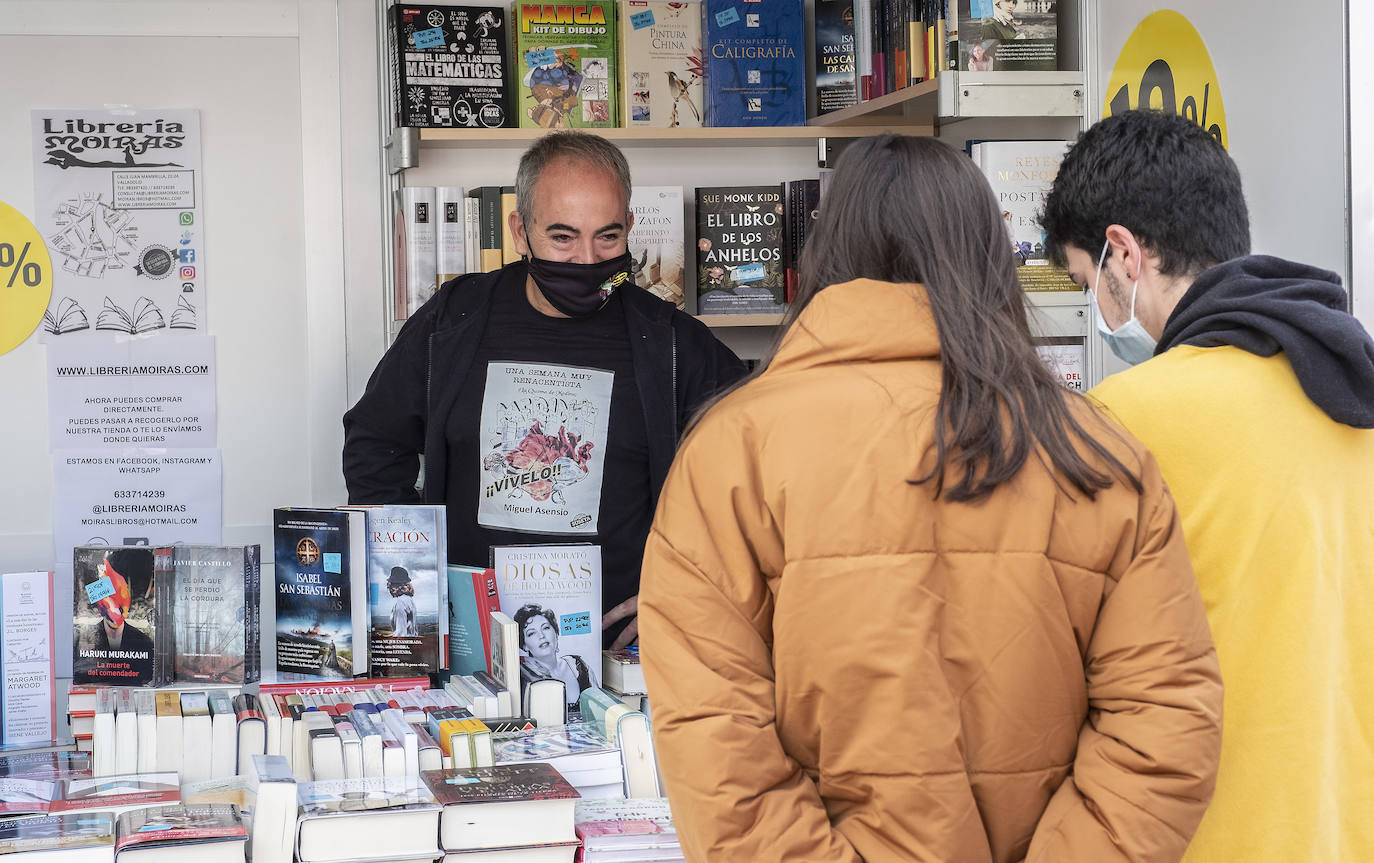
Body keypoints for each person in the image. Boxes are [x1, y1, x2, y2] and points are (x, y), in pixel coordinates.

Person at [637, 134, 1223, 863]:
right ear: (988, 253)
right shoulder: (1099, 453)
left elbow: (716, 748)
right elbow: (1164, 724)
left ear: (825, 250)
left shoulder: (731, 453)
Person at [1040, 109, 1374, 863]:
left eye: (1086, 279)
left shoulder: (1125, 419)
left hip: (1208, 837)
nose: (1096, 307)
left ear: (1123, 253)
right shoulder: (1355, 387)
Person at [343, 131, 746, 650]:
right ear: (520, 230)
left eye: (608, 237)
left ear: (630, 227)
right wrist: (408, 575)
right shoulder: (454, 320)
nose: (585, 260)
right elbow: (376, 441)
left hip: (621, 652)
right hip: (472, 641)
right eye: (562, 237)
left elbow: (755, 475)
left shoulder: (671, 342)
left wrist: (694, 587)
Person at [514, 602, 597, 708]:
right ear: (524, 645)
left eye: (545, 628)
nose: (541, 636)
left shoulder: (580, 666)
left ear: (556, 632)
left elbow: (600, 707)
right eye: (531, 633)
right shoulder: (524, 678)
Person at [387, 566, 418, 636]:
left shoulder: (400, 603)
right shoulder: (409, 599)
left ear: (395, 586)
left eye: (391, 584)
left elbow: (401, 635)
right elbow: (411, 631)